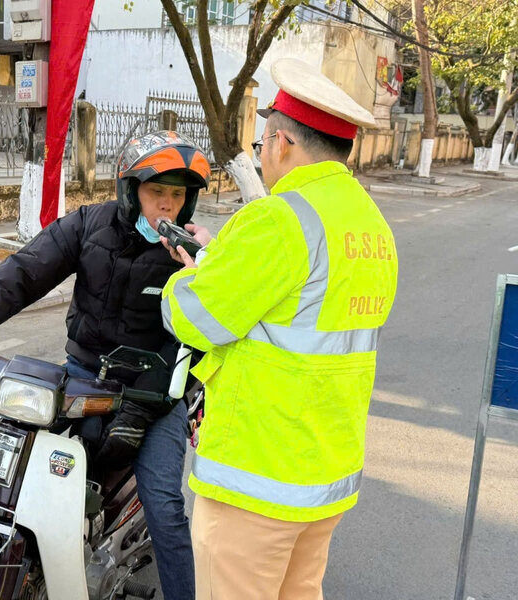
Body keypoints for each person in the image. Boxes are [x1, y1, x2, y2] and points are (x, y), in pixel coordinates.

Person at [0, 130, 212, 600]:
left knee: (164, 504)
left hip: (156, 392)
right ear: (128, 189)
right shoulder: (87, 226)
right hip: (82, 375)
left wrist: (203, 267)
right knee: (20, 465)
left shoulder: (194, 257)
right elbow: (27, 269)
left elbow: (205, 334)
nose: (167, 206)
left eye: (178, 195)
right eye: (157, 191)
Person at [160, 58, 399, 600]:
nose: (261, 155)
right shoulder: (369, 223)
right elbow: (300, 304)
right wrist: (220, 259)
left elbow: (196, 319)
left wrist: (186, 280)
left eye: (263, 141)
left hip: (257, 479)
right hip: (323, 475)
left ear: (282, 141)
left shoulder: (279, 218)